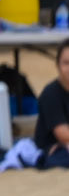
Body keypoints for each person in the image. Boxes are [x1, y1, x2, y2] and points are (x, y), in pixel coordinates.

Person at [34, 38, 69, 166]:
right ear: (57, 65)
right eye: (66, 63)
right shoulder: (51, 94)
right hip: (54, 148)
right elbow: (63, 134)